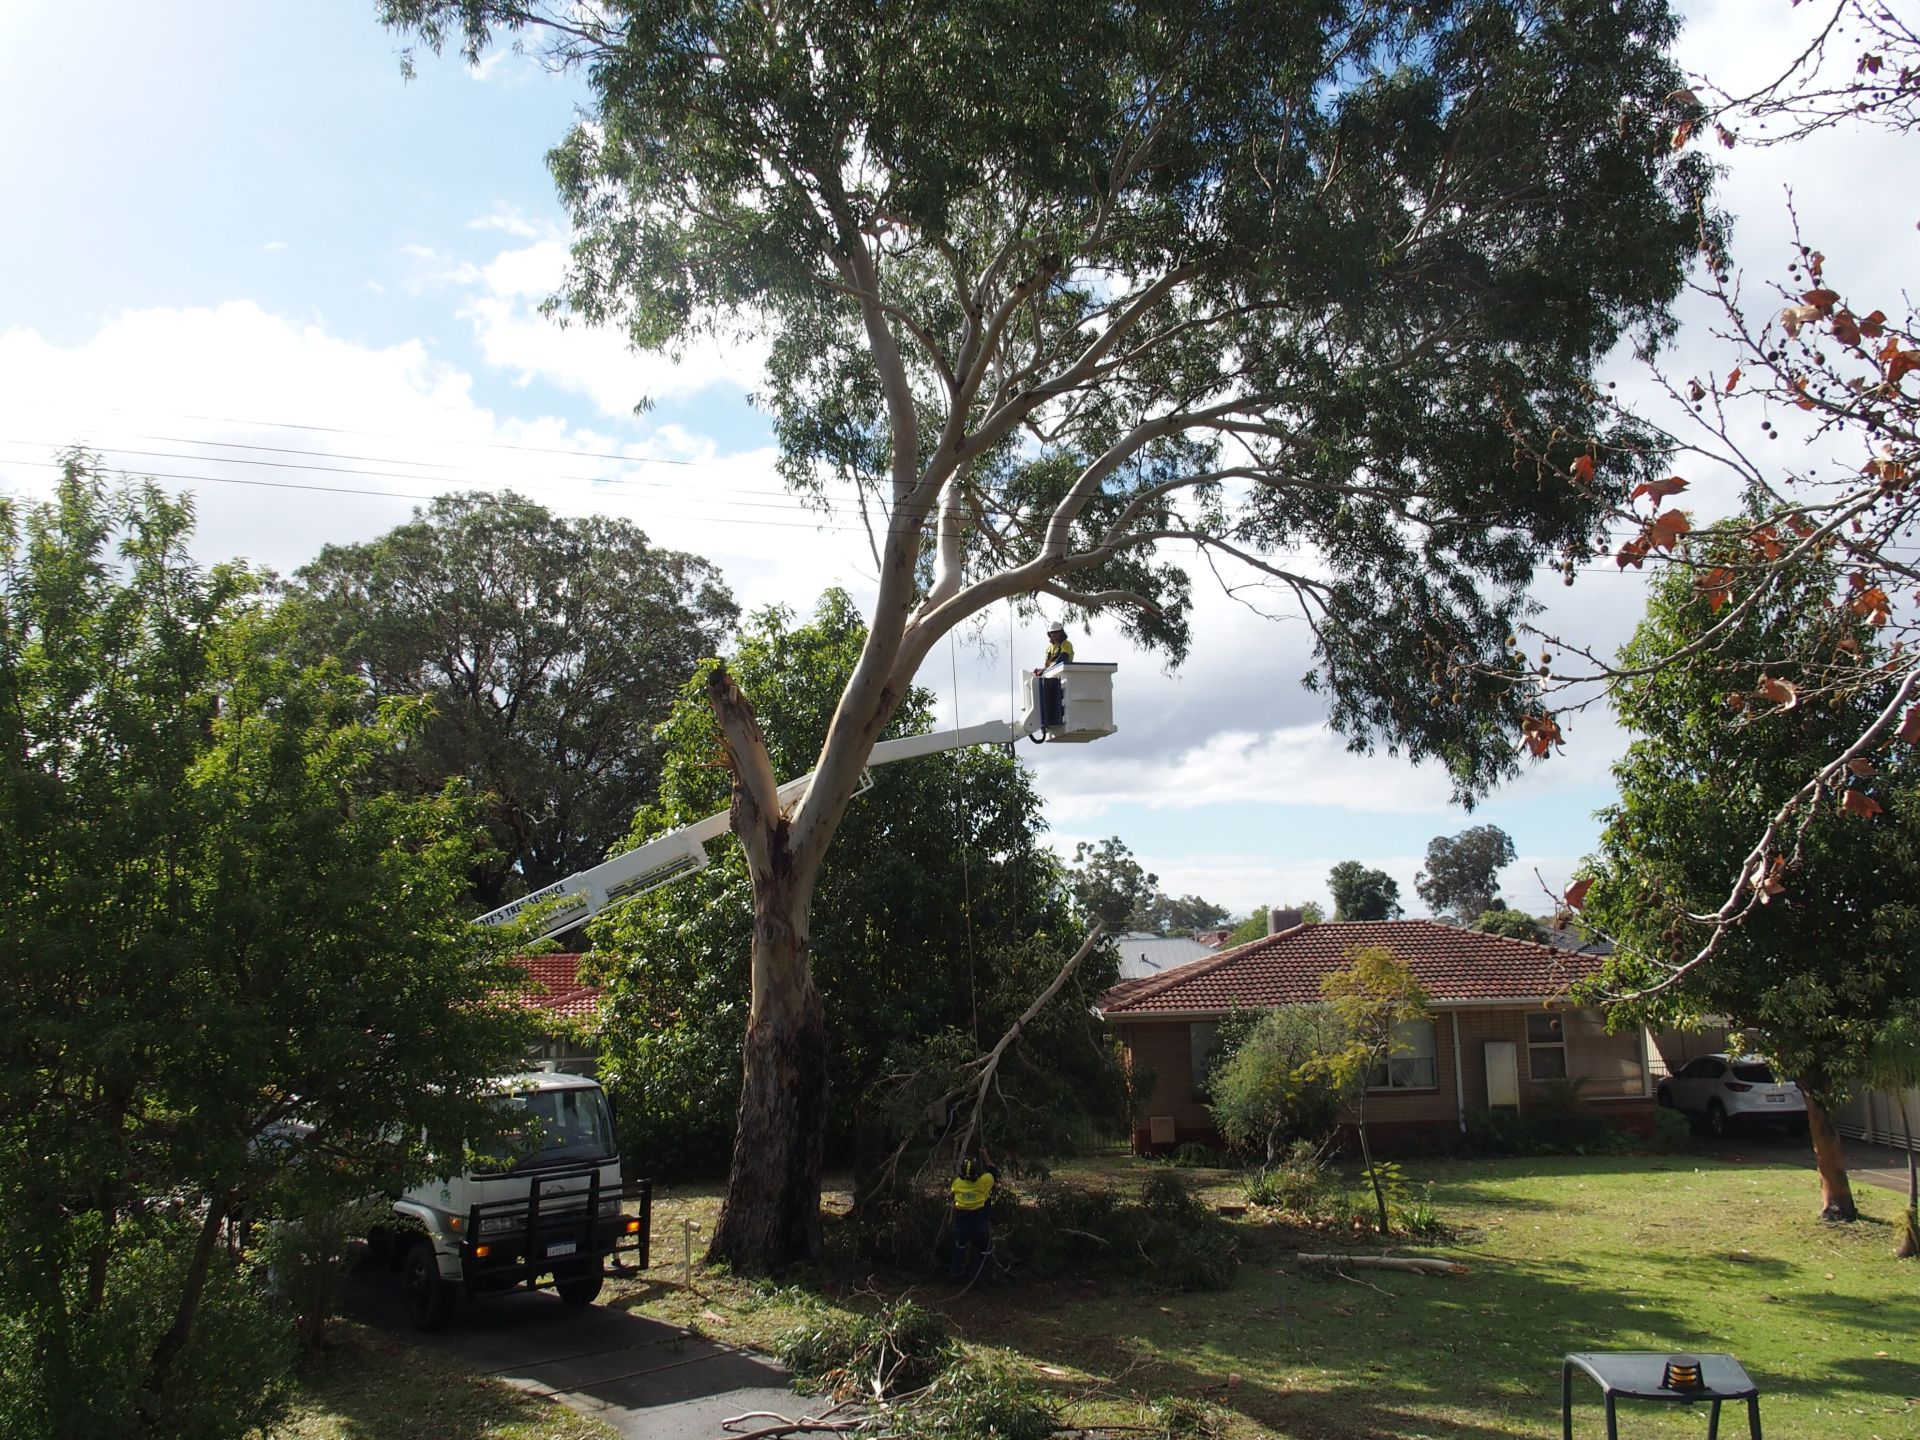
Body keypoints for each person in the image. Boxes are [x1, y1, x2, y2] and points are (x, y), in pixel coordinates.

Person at [947, 1146, 998, 1282]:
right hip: (977, 1221)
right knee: (986, 1249)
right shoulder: (984, 1182)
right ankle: (976, 1277)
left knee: (960, 1245)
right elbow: (993, 1170)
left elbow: (952, 1193)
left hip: (961, 1221)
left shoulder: (957, 1184)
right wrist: (985, 1154)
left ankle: (954, 1273)